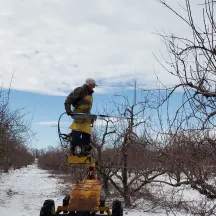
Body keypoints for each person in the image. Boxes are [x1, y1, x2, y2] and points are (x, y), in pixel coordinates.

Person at [64, 78, 97, 156]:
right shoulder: (80, 90)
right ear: (89, 84)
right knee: (76, 137)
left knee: (87, 137)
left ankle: (85, 151)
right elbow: (68, 101)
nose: (94, 87)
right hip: (78, 117)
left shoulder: (90, 93)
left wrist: (91, 117)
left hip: (86, 119)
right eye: (93, 86)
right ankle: (73, 149)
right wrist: (69, 111)